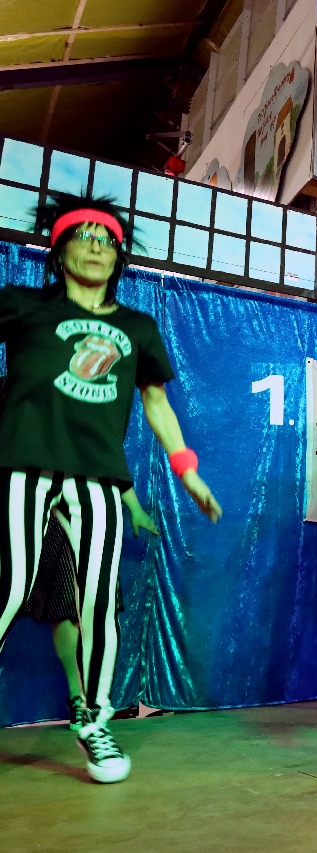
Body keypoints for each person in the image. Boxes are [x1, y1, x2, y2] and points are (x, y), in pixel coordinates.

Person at [0, 194, 222, 784]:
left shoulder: (136, 327)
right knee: (11, 587)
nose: (96, 245)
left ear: (118, 257)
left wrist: (187, 470)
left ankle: (94, 719)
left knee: (98, 600)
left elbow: (156, 402)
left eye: (107, 238)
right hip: (25, 466)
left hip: (99, 478)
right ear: (59, 250)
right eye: (83, 235)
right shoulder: (23, 306)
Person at [18, 488, 157, 730]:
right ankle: (78, 698)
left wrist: (134, 507)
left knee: (97, 610)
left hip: (92, 516)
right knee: (63, 607)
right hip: (53, 516)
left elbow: (110, 469)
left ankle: (93, 703)